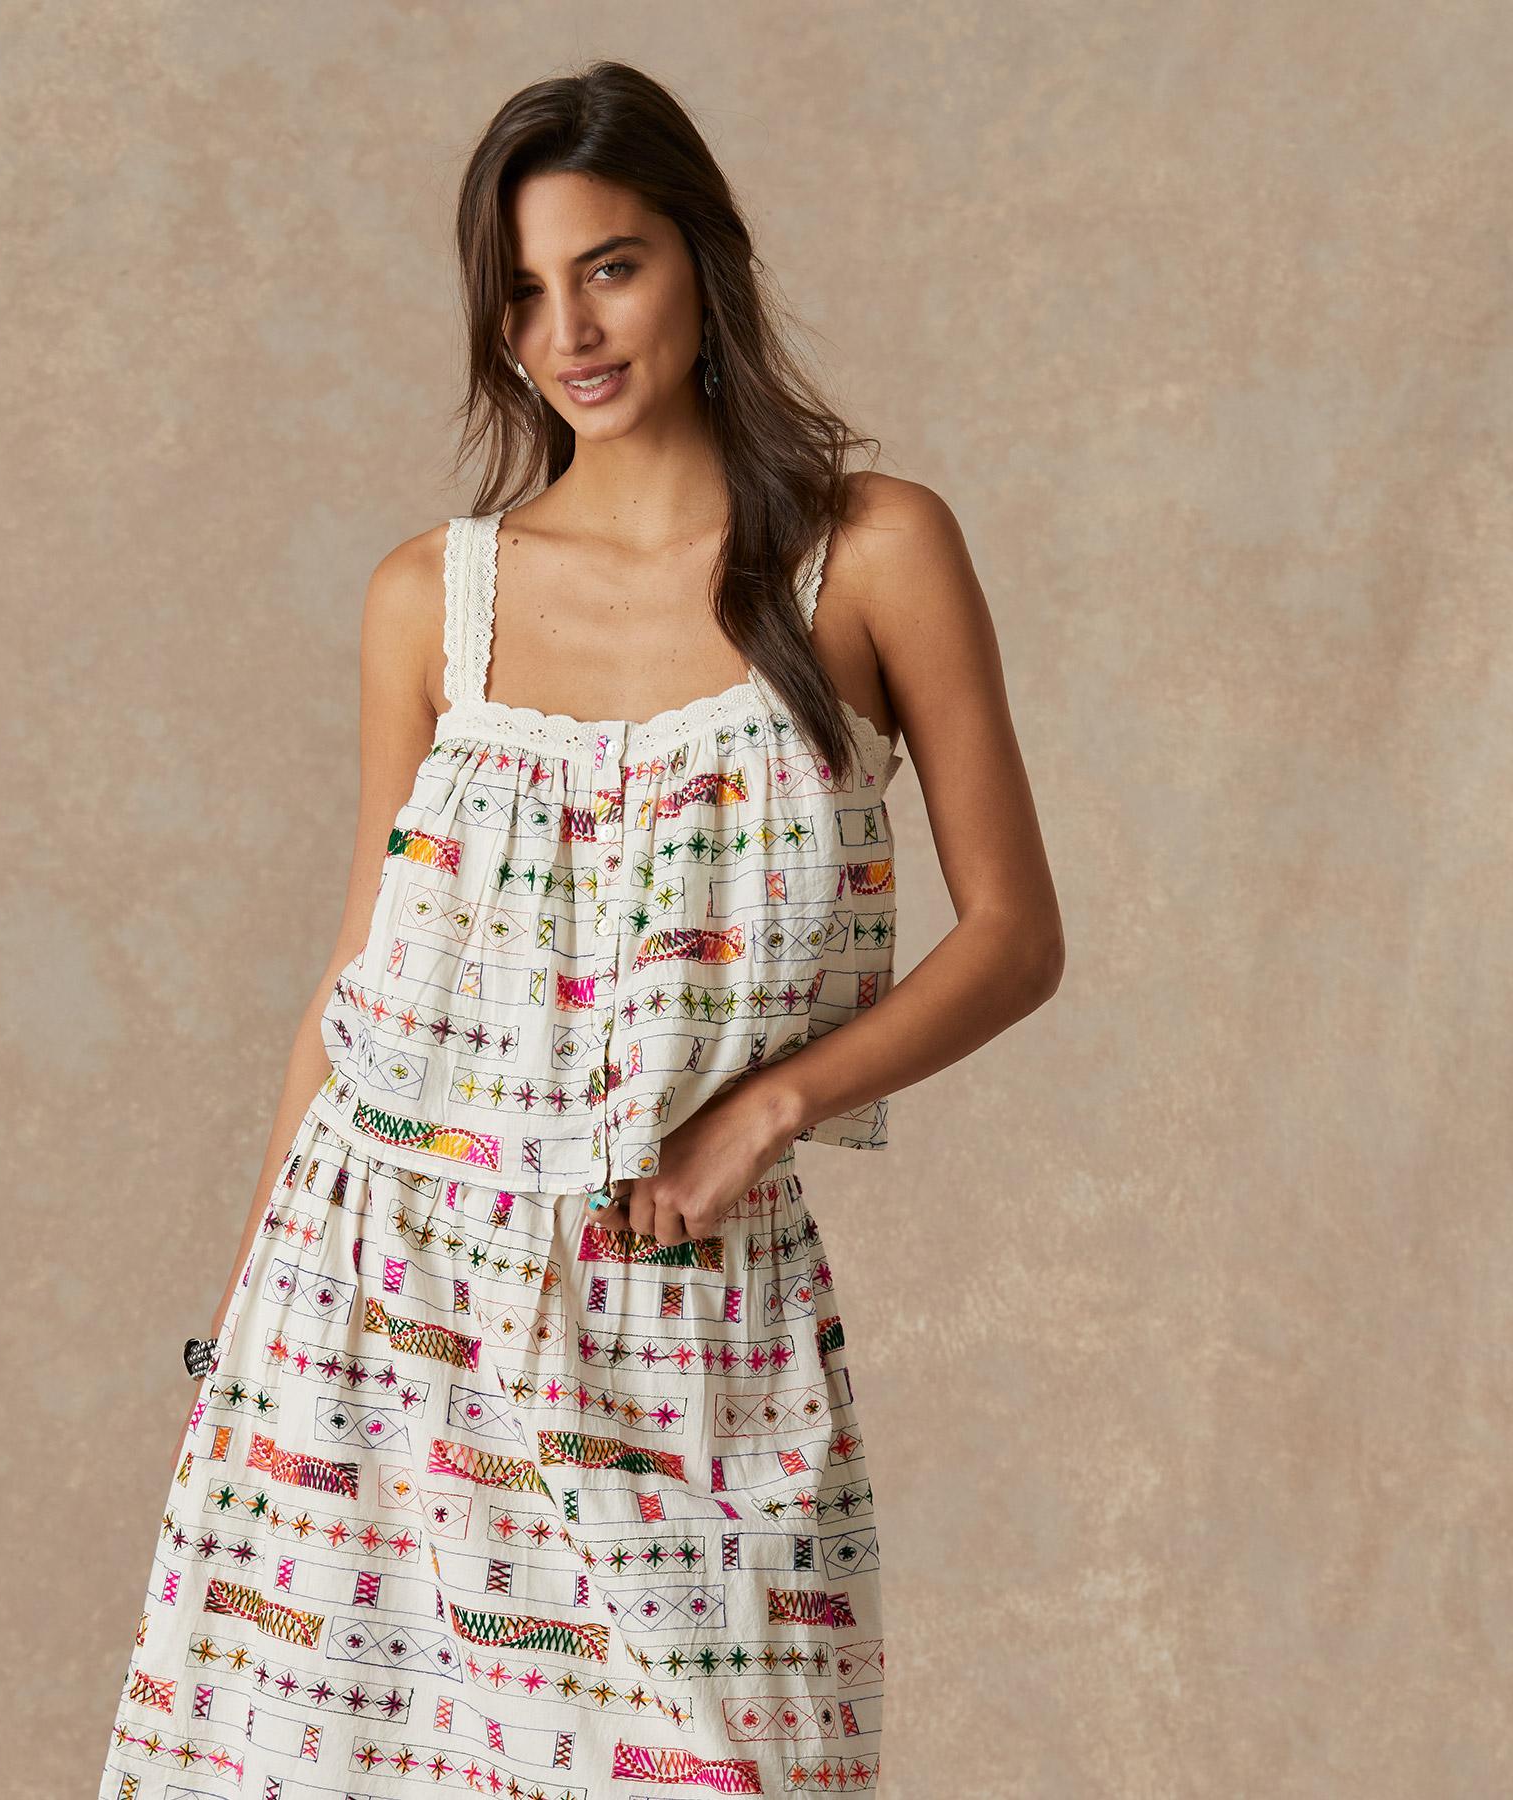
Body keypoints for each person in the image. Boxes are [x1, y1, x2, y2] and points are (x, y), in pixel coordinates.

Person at [98, 59, 1063, 1800]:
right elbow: (361, 973)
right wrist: (238, 1338)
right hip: (381, 1292)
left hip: (685, 1293)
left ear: (703, 255)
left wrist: (765, 1112)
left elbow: (1015, 936)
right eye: (526, 293)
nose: (571, 332)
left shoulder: (873, 553)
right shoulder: (433, 599)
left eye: (609, 266)